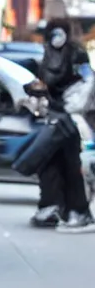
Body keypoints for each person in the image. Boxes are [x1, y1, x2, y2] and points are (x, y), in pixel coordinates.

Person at [29, 19, 95, 231]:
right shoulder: (48, 54)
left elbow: (88, 82)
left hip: (71, 116)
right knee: (48, 162)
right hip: (54, 115)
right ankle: (50, 206)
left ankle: (78, 211)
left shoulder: (76, 54)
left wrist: (73, 104)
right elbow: (44, 81)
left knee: (70, 163)